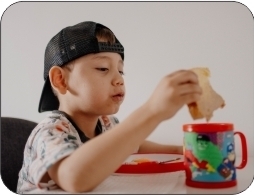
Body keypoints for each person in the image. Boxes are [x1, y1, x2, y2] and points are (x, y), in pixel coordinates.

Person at [17, 21, 202, 194]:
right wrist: (152, 111)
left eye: (121, 71)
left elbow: (134, 145)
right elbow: (74, 178)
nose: (119, 79)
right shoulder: (50, 132)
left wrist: (181, 150)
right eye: (103, 68)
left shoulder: (107, 123)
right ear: (61, 79)